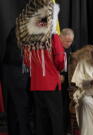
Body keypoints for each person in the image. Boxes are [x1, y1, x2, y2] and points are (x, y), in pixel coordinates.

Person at [16, 1, 65, 135]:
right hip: (51, 84)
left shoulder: (29, 42)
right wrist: (58, 70)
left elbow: (27, 62)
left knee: (40, 120)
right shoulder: (53, 37)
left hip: (36, 84)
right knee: (56, 119)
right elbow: (60, 59)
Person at [1, 26, 32, 135]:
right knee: (22, 107)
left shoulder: (15, 31)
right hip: (17, 74)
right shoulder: (20, 34)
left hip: (11, 72)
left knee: (13, 107)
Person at [59, 28, 74, 134]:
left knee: (66, 107)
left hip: (67, 80)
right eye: (67, 41)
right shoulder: (55, 48)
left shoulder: (71, 51)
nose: (69, 43)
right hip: (56, 80)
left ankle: (66, 129)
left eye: (71, 41)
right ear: (60, 38)